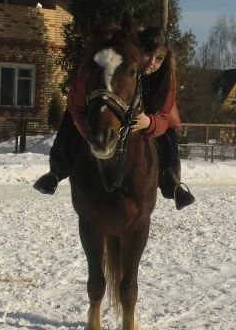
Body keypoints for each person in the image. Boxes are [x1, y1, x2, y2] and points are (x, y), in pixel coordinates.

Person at [33, 26, 195, 209]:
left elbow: (165, 115)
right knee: (68, 126)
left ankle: (172, 183)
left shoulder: (165, 76)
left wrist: (149, 122)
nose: (151, 62)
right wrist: (90, 133)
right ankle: (56, 171)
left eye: (159, 58)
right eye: (147, 53)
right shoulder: (113, 63)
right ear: (136, 49)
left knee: (168, 139)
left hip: (152, 115)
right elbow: (77, 107)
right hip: (88, 107)